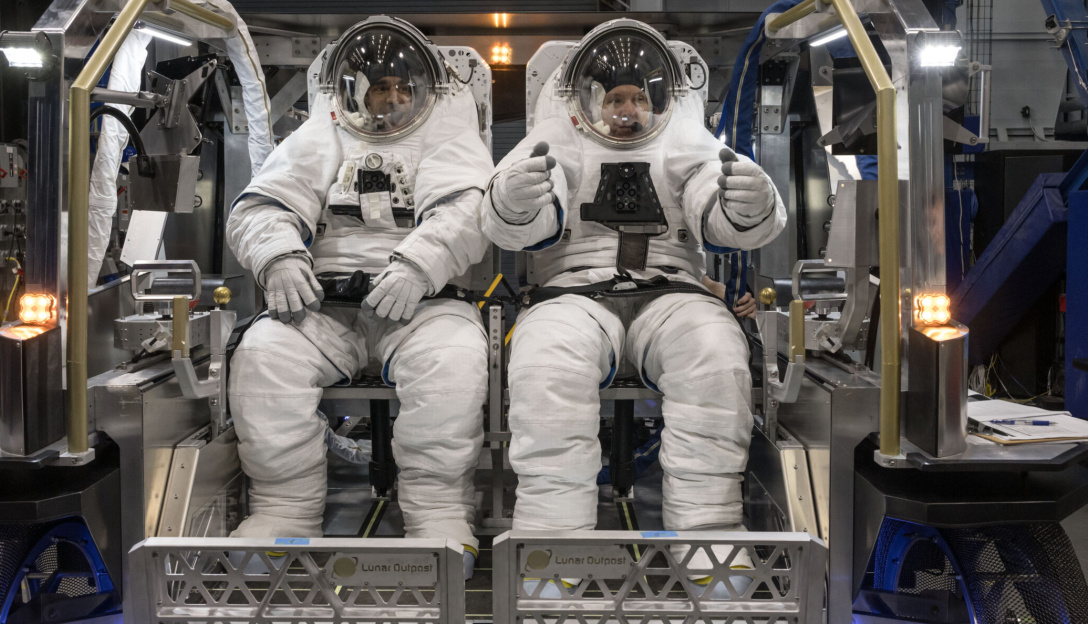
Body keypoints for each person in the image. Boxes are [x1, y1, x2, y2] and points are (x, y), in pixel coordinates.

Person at [481, 20, 786, 596]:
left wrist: (747, 207)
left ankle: (710, 535)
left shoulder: (683, 137)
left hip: (669, 288)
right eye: (615, 98)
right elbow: (509, 222)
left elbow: (709, 201)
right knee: (545, 363)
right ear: (589, 100)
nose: (627, 109)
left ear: (659, 101)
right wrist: (517, 201)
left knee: (716, 356)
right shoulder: (558, 134)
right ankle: (552, 542)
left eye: (638, 97)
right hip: (573, 290)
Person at [226, 17, 492, 579]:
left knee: (453, 364)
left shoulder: (448, 132)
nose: (392, 99)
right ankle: (283, 511)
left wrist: (420, 263)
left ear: (423, 90)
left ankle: (440, 515)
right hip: (327, 306)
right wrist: (278, 256)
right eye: (380, 87)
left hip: (426, 304)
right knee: (264, 355)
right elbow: (263, 206)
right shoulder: (324, 132)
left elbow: (468, 209)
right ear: (356, 90)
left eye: (403, 87)